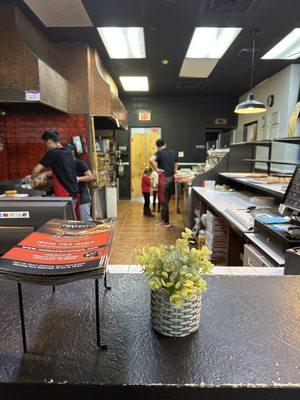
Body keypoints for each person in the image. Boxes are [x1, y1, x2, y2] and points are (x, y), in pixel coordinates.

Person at [31, 130, 80, 219]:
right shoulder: (68, 151)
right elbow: (62, 169)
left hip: (65, 193)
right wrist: (45, 174)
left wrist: (32, 180)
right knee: (72, 221)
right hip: (74, 192)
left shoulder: (53, 153)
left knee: (66, 223)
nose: (46, 146)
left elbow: (36, 170)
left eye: (46, 143)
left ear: (49, 141)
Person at [150, 139, 178, 227]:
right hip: (171, 178)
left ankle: (166, 222)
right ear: (165, 144)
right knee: (166, 200)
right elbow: (176, 162)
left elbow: (151, 160)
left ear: (157, 146)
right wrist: (175, 171)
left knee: (164, 201)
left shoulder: (159, 153)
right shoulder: (173, 153)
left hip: (164, 179)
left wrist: (156, 170)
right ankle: (163, 219)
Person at [67, 144, 93, 221]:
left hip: (82, 194)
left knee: (85, 219)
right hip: (72, 195)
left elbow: (90, 176)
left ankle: (91, 232)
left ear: (72, 152)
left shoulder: (79, 163)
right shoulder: (66, 164)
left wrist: (77, 179)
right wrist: (43, 174)